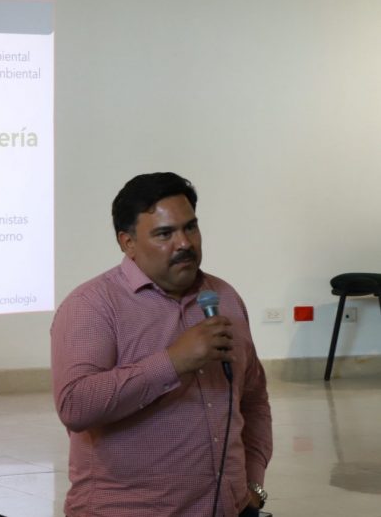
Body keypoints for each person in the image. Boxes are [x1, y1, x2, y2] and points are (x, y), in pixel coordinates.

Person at [51, 172, 272, 516]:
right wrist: (173, 361)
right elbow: (75, 406)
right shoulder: (92, 306)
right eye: (165, 234)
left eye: (190, 227)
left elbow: (254, 399)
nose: (184, 243)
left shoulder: (224, 297)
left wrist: (252, 486)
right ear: (127, 243)